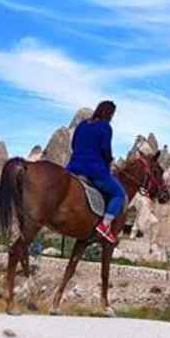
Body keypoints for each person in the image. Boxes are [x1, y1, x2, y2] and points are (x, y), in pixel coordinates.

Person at [68, 100, 124, 244]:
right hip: (94, 171)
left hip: (73, 168)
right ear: (109, 113)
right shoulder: (105, 127)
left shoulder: (82, 125)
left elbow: (73, 145)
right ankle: (105, 225)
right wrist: (109, 160)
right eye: (112, 114)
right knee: (119, 193)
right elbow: (105, 149)